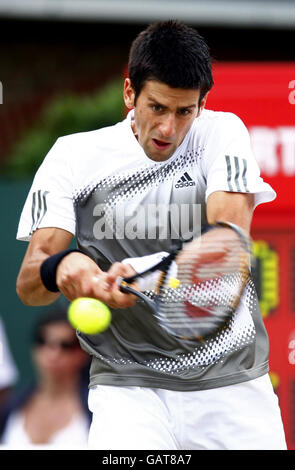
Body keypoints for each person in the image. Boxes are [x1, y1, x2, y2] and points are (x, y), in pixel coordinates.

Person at [15, 20, 286, 450]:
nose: (168, 129)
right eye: (156, 107)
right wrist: (64, 267)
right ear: (129, 93)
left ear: (202, 105)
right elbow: (29, 284)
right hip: (128, 389)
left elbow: (228, 240)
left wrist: (140, 274)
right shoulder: (73, 156)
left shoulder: (221, 133)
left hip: (231, 385)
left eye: (184, 112)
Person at [0, 308, 91, 448]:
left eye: (65, 345)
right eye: (42, 341)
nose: (52, 354)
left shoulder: (96, 410)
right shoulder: (10, 408)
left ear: (83, 353)